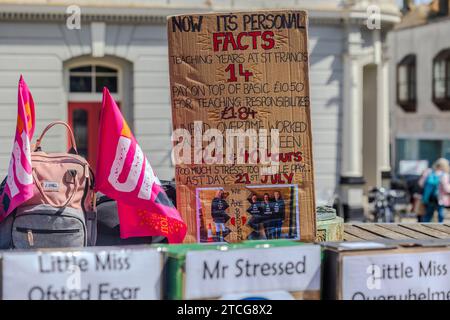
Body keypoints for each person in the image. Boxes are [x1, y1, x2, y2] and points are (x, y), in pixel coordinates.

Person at [418, 158, 450, 223]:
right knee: (440, 215)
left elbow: (421, 183)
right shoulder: (444, 175)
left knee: (428, 215)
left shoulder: (429, 172)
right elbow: (446, 188)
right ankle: (440, 229)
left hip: (429, 197)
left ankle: (424, 228)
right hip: (440, 198)